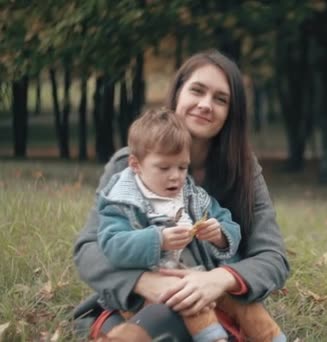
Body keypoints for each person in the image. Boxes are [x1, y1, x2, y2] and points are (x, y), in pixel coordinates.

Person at [73, 49, 290, 341]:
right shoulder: (129, 165)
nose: (205, 105)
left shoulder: (244, 170)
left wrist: (216, 280)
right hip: (142, 299)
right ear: (177, 94)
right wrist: (146, 282)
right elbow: (89, 249)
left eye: (220, 99)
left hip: (218, 300)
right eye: (197, 91)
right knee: (166, 319)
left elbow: (273, 257)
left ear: (231, 114)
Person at [96, 108, 283, 342]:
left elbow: (227, 222)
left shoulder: (193, 196)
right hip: (154, 289)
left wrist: (220, 234)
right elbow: (112, 244)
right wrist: (158, 239)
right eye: (164, 168)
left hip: (203, 278)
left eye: (182, 167)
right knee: (192, 305)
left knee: (246, 305)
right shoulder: (123, 201)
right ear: (136, 165)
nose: (175, 176)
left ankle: (275, 338)